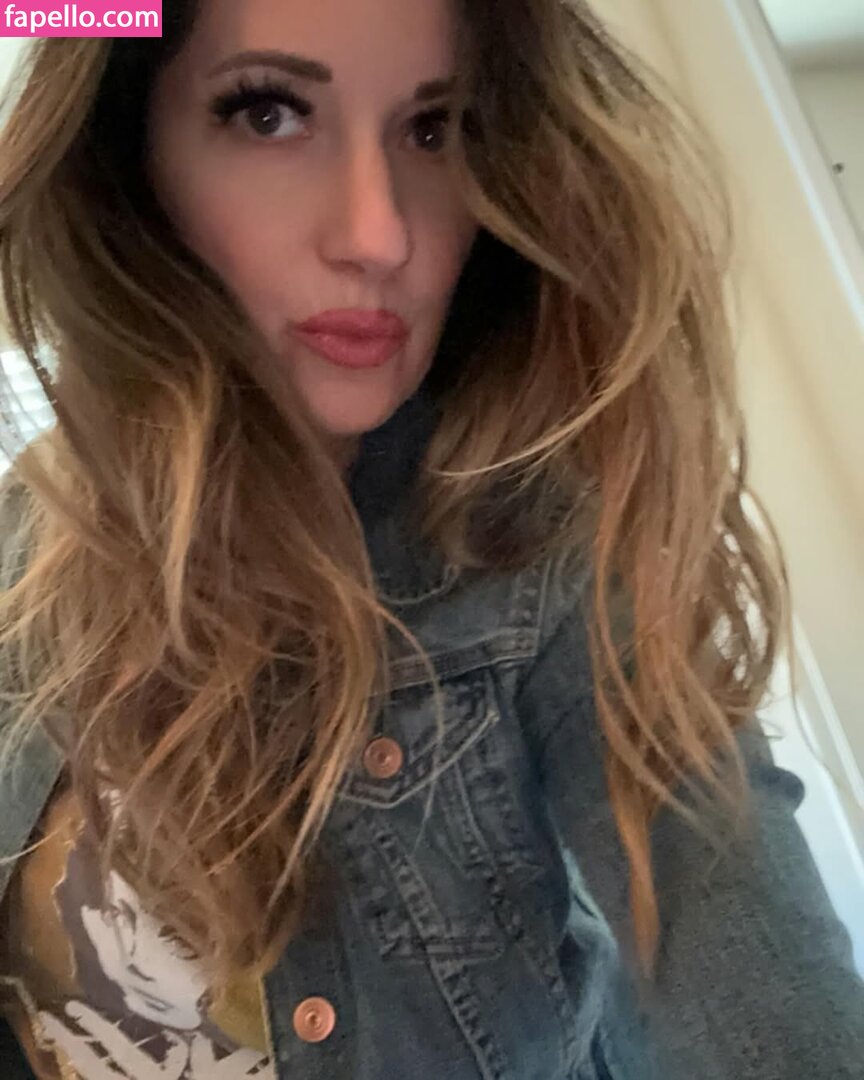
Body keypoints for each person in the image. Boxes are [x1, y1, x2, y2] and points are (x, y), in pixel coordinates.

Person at [0, 1, 861, 1078]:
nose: (381, 235)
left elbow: (734, 923)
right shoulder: (25, 538)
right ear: (130, 152)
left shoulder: (549, 554)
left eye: (433, 128)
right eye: (269, 113)